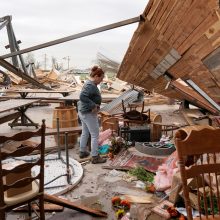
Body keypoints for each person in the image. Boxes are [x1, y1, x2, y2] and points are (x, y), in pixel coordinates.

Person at [77, 66, 106, 164]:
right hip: (88, 113)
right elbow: (82, 96)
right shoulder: (91, 85)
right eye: (101, 78)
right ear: (97, 76)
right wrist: (93, 105)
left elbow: (85, 97)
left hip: (83, 112)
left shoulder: (89, 83)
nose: (101, 81)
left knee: (85, 132)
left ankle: (82, 151)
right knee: (95, 135)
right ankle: (95, 157)